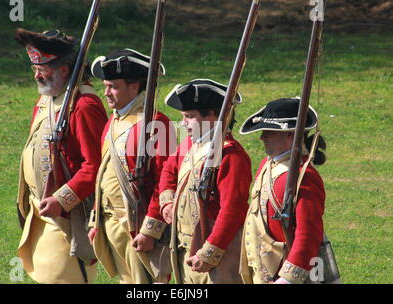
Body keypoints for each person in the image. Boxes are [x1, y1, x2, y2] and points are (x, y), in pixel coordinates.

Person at [15, 28, 108, 284]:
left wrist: (62, 199)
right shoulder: (48, 99)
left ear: (63, 70)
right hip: (40, 210)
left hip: (67, 217)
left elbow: (96, 166)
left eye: (42, 69)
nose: (36, 75)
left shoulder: (84, 106)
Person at [87, 48, 175, 284]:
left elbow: (164, 183)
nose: (106, 93)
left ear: (134, 87)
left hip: (137, 225)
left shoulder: (157, 125)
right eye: (105, 85)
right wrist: (96, 220)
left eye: (113, 86)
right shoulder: (114, 120)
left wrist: (150, 230)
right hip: (111, 223)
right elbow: (102, 173)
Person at [158, 79, 252, 284]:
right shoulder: (192, 144)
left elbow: (232, 210)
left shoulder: (230, 155)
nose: (183, 123)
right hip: (186, 249)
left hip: (218, 255)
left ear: (213, 116)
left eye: (190, 117)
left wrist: (210, 252)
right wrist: (167, 200)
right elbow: (168, 169)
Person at [238, 97, 327, 284]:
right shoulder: (267, 165)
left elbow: (309, 234)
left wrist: (287, 279)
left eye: (269, 132)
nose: (263, 137)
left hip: (285, 274)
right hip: (262, 270)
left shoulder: (305, 177)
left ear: (290, 135)